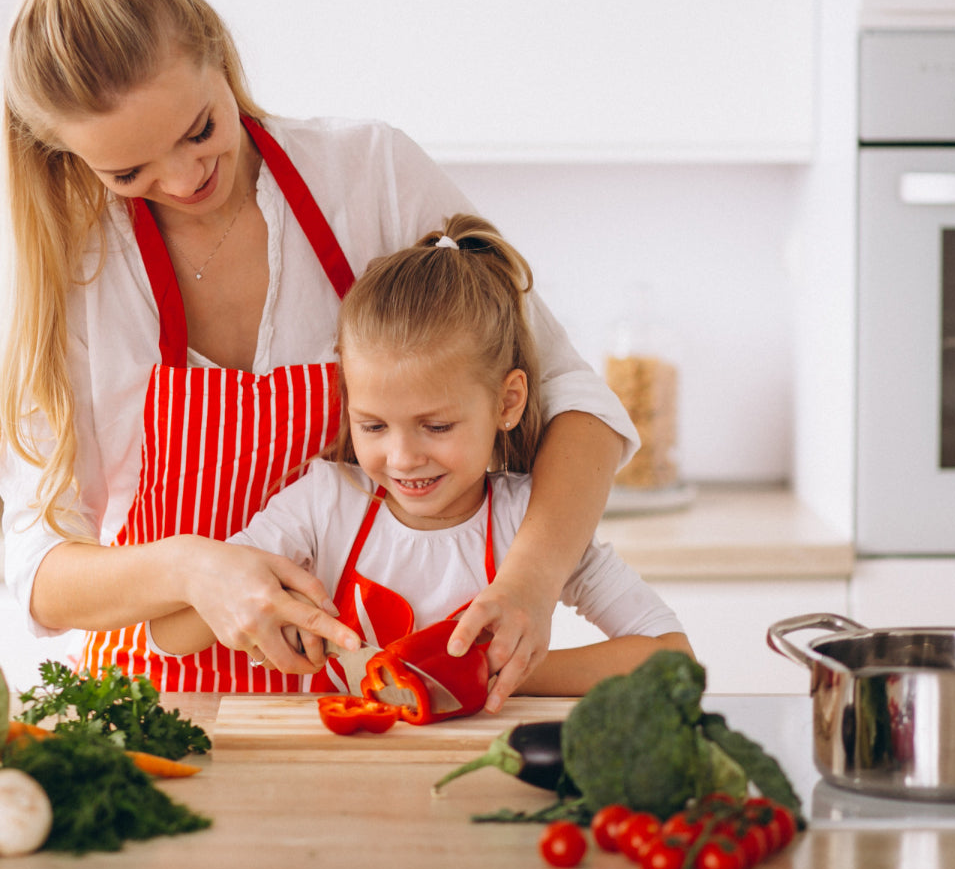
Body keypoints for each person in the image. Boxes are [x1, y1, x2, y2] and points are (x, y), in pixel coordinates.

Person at [0, 0, 640, 709]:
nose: (182, 179)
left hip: (379, 702)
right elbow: (40, 571)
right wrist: (191, 569)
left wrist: (531, 581)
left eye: (200, 129)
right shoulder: (56, 274)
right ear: (67, 156)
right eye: (129, 171)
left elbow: (575, 403)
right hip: (157, 709)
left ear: (217, 53)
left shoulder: (371, 176)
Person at [147, 215, 692, 696]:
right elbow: (169, 636)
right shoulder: (322, 505)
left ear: (508, 402)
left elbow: (672, 662)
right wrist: (263, 604)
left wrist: (493, 670)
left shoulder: (532, 526)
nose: (402, 457)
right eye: (373, 425)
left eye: (436, 426)